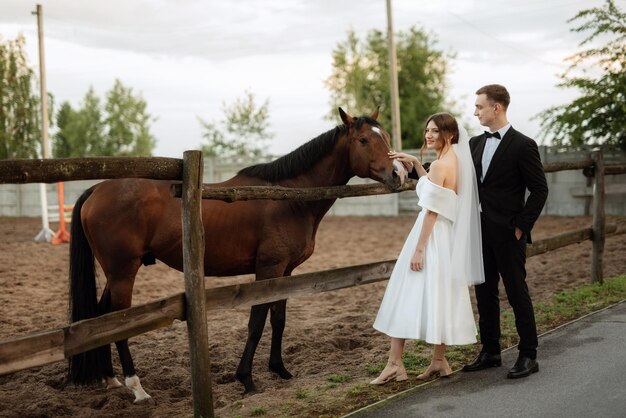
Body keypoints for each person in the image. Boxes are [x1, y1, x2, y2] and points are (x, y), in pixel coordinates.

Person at [370, 113, 485, 385]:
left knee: (404, 293)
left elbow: (431, 209)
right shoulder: (455, 162)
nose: (428, 135)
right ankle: (438, 360)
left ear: (451, 135)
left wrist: (419, 250)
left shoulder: (439, 166)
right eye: (427, 130)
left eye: (435, 131)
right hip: (445, 238)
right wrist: (417, 167)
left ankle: (395, 364)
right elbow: (438, 193)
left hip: (429, 236)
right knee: (440, 295)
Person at [462, 84, 548, 379]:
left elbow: (539, 190)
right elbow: (450, 172)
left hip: (509, 233)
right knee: (484, 293)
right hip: (479, 231)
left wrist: (521, 226)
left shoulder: (523, 145)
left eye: (479, 107)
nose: (475, 112)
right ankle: (491, 351)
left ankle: (528, 354)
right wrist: (412, 168)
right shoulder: (474, 144)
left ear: (496, 107)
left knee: (516, 292)